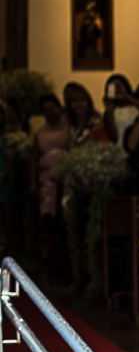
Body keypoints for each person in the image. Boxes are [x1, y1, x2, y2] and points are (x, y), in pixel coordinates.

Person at [31, 95, 69, 259]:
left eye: (52, 108)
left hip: (65, 180)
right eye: (45, 110)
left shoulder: (69, 127)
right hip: (45, 182)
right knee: (48, 220)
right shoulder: (40, 133)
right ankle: (53, 258)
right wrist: (33, 183)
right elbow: (34, 157)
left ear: (59, 107)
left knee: (64, 219)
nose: (49, 112)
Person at [101, 74, 139, 146]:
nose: (117, 89)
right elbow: (112, 138)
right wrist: (109, 110)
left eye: (119, 86)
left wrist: (127, 96)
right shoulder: (109, 112)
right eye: (113, 87)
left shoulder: (136, 107)